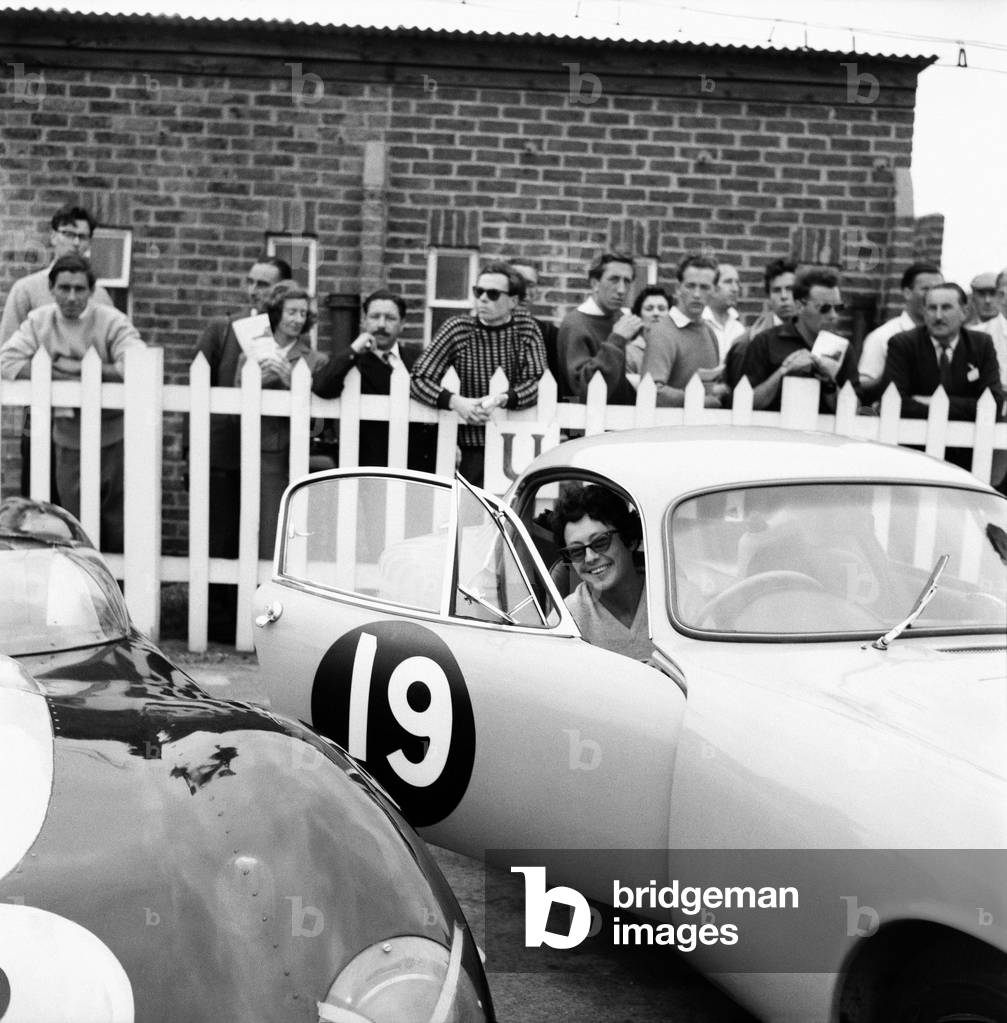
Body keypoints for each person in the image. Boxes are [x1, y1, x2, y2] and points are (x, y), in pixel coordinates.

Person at [0, 254, 145, 552]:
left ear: (91, 291)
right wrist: (58, 374)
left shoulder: (110, 320)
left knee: (118, 523)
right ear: (51, 289)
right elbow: (8, 360)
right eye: (64, 288)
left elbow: (137, 362)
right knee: (75, 523)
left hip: (114, 435)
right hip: (67, 436)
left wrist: (79, 369)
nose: (71, 296)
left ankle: (119, 591)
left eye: (79, 289)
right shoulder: (39, 321)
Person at [1, 203, 114, 498]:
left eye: (83, 236)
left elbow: (107, 353)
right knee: (37, 499)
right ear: (53, 237)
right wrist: (57, 375)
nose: (75, 242)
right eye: (68, 233)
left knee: (82, 500)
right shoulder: (26, 289)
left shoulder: (99, 295)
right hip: (40, 411)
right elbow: (8, 354)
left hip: (87, 413)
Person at [410, 260, 546, 488]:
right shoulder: (458, 329)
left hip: (515, 440)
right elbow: (418, 379)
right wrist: (456, 402)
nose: (483, 298)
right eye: (478, 291)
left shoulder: (527, 328)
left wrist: (502, 398)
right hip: (468, 446)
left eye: (493, 294)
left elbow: (536, 382)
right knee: (470, 515)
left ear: (513, 301)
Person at [239, 280, 327, 559]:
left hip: (302, 452)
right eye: (291, 312)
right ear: (276, 313)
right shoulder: (249, 356)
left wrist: (293, 384)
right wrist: (257, 383)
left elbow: (321, 424)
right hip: (261, 452)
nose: (298, 319)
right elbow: (233, 410)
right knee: (264, 525)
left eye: (303, 313)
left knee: (300, 528)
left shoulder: (316, 360)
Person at [311, 288, 434, 471]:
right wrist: (353, 350)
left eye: (390, 318)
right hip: (366, 465)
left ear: (402, 324)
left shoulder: (419, 360)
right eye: (375, 317)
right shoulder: (351, 362)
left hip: (415, 466)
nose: (382, 324)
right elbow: (322, 387)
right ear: (364, 321)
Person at [551, 484, 651, 661]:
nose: (590, 558)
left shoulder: (674, 599)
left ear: (630, 539)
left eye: (600, 542)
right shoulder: (567, 619)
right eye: (577, 551)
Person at [740, 265, 856, 413]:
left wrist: (829, 382)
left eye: (838, 308)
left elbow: (854, 410)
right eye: (824, 308)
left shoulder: (844, 348)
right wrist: (784, 371)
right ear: (800, 306)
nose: (834, 316)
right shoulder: (765, 342)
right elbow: (745, 402)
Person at [884, 283, 1004, 424]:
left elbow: (993, 405)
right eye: (932, 308)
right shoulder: (903, 344)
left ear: (964, 312)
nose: (938, 316)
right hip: (913, 440)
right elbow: (896, 403)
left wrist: (932, 402)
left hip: (966, 441)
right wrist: (967, 407)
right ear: (924, 312)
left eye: (946, 308)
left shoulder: (981, 344)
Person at [556, 251, 640, 404]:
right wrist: (616, 341)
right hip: (586, 422)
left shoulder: (620, 318)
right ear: (595, 284)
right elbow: (584, 388)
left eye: (627, 281)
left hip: (620, 420)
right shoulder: (575, 324)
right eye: (614, 279)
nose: (621, 289)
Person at [641, 256, 724, 407]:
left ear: (714, 291)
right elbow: (653, 391)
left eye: (704, 287)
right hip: (666, 427)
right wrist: (704, 402)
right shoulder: (662, 331)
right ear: (678, 288)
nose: (697, 294)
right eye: (690, 286)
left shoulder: (710, 332)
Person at [857, 262, 943, 403]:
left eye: (938, 289)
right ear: (907, 292)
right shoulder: (882, 336)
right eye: (926, 289)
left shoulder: (947, 336)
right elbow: (863, 387)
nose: (933, 296)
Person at [724, 256, 797, 392]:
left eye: (790, 289)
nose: (784, 296)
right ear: (768, 297)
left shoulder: (813, 335)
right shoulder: (747, 342)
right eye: (776, 290)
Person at [510, 260, 565, 398]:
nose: (523, 291)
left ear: (536, 291)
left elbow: (558, 386)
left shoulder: (550, 334)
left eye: (529, 284)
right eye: (516, 283)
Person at [702, 261, 746, 364]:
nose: (735, 289)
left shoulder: (739, 328)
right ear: (712, 286)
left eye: (737, 283)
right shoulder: (699, 322)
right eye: (728, 282)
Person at [626, 285, 672, 380]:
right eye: (649, 309)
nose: (656, 313)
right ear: (639, 315)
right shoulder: (629, 354)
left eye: (662, 309)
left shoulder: (675, 349)